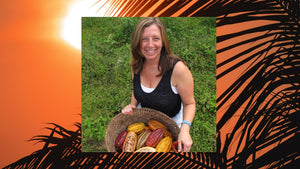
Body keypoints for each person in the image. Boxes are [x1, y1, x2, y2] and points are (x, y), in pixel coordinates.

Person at [121, 17, 196, 152]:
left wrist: (185, 128)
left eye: (155, 38)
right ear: (137, 42)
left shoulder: (178, 69)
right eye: (144, 39)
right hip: (145, 118)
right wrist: (132, 105)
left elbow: (190, 103)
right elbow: (136, 90)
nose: (150, 45)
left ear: (163, 42)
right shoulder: (136, 64)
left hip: (171, 120)